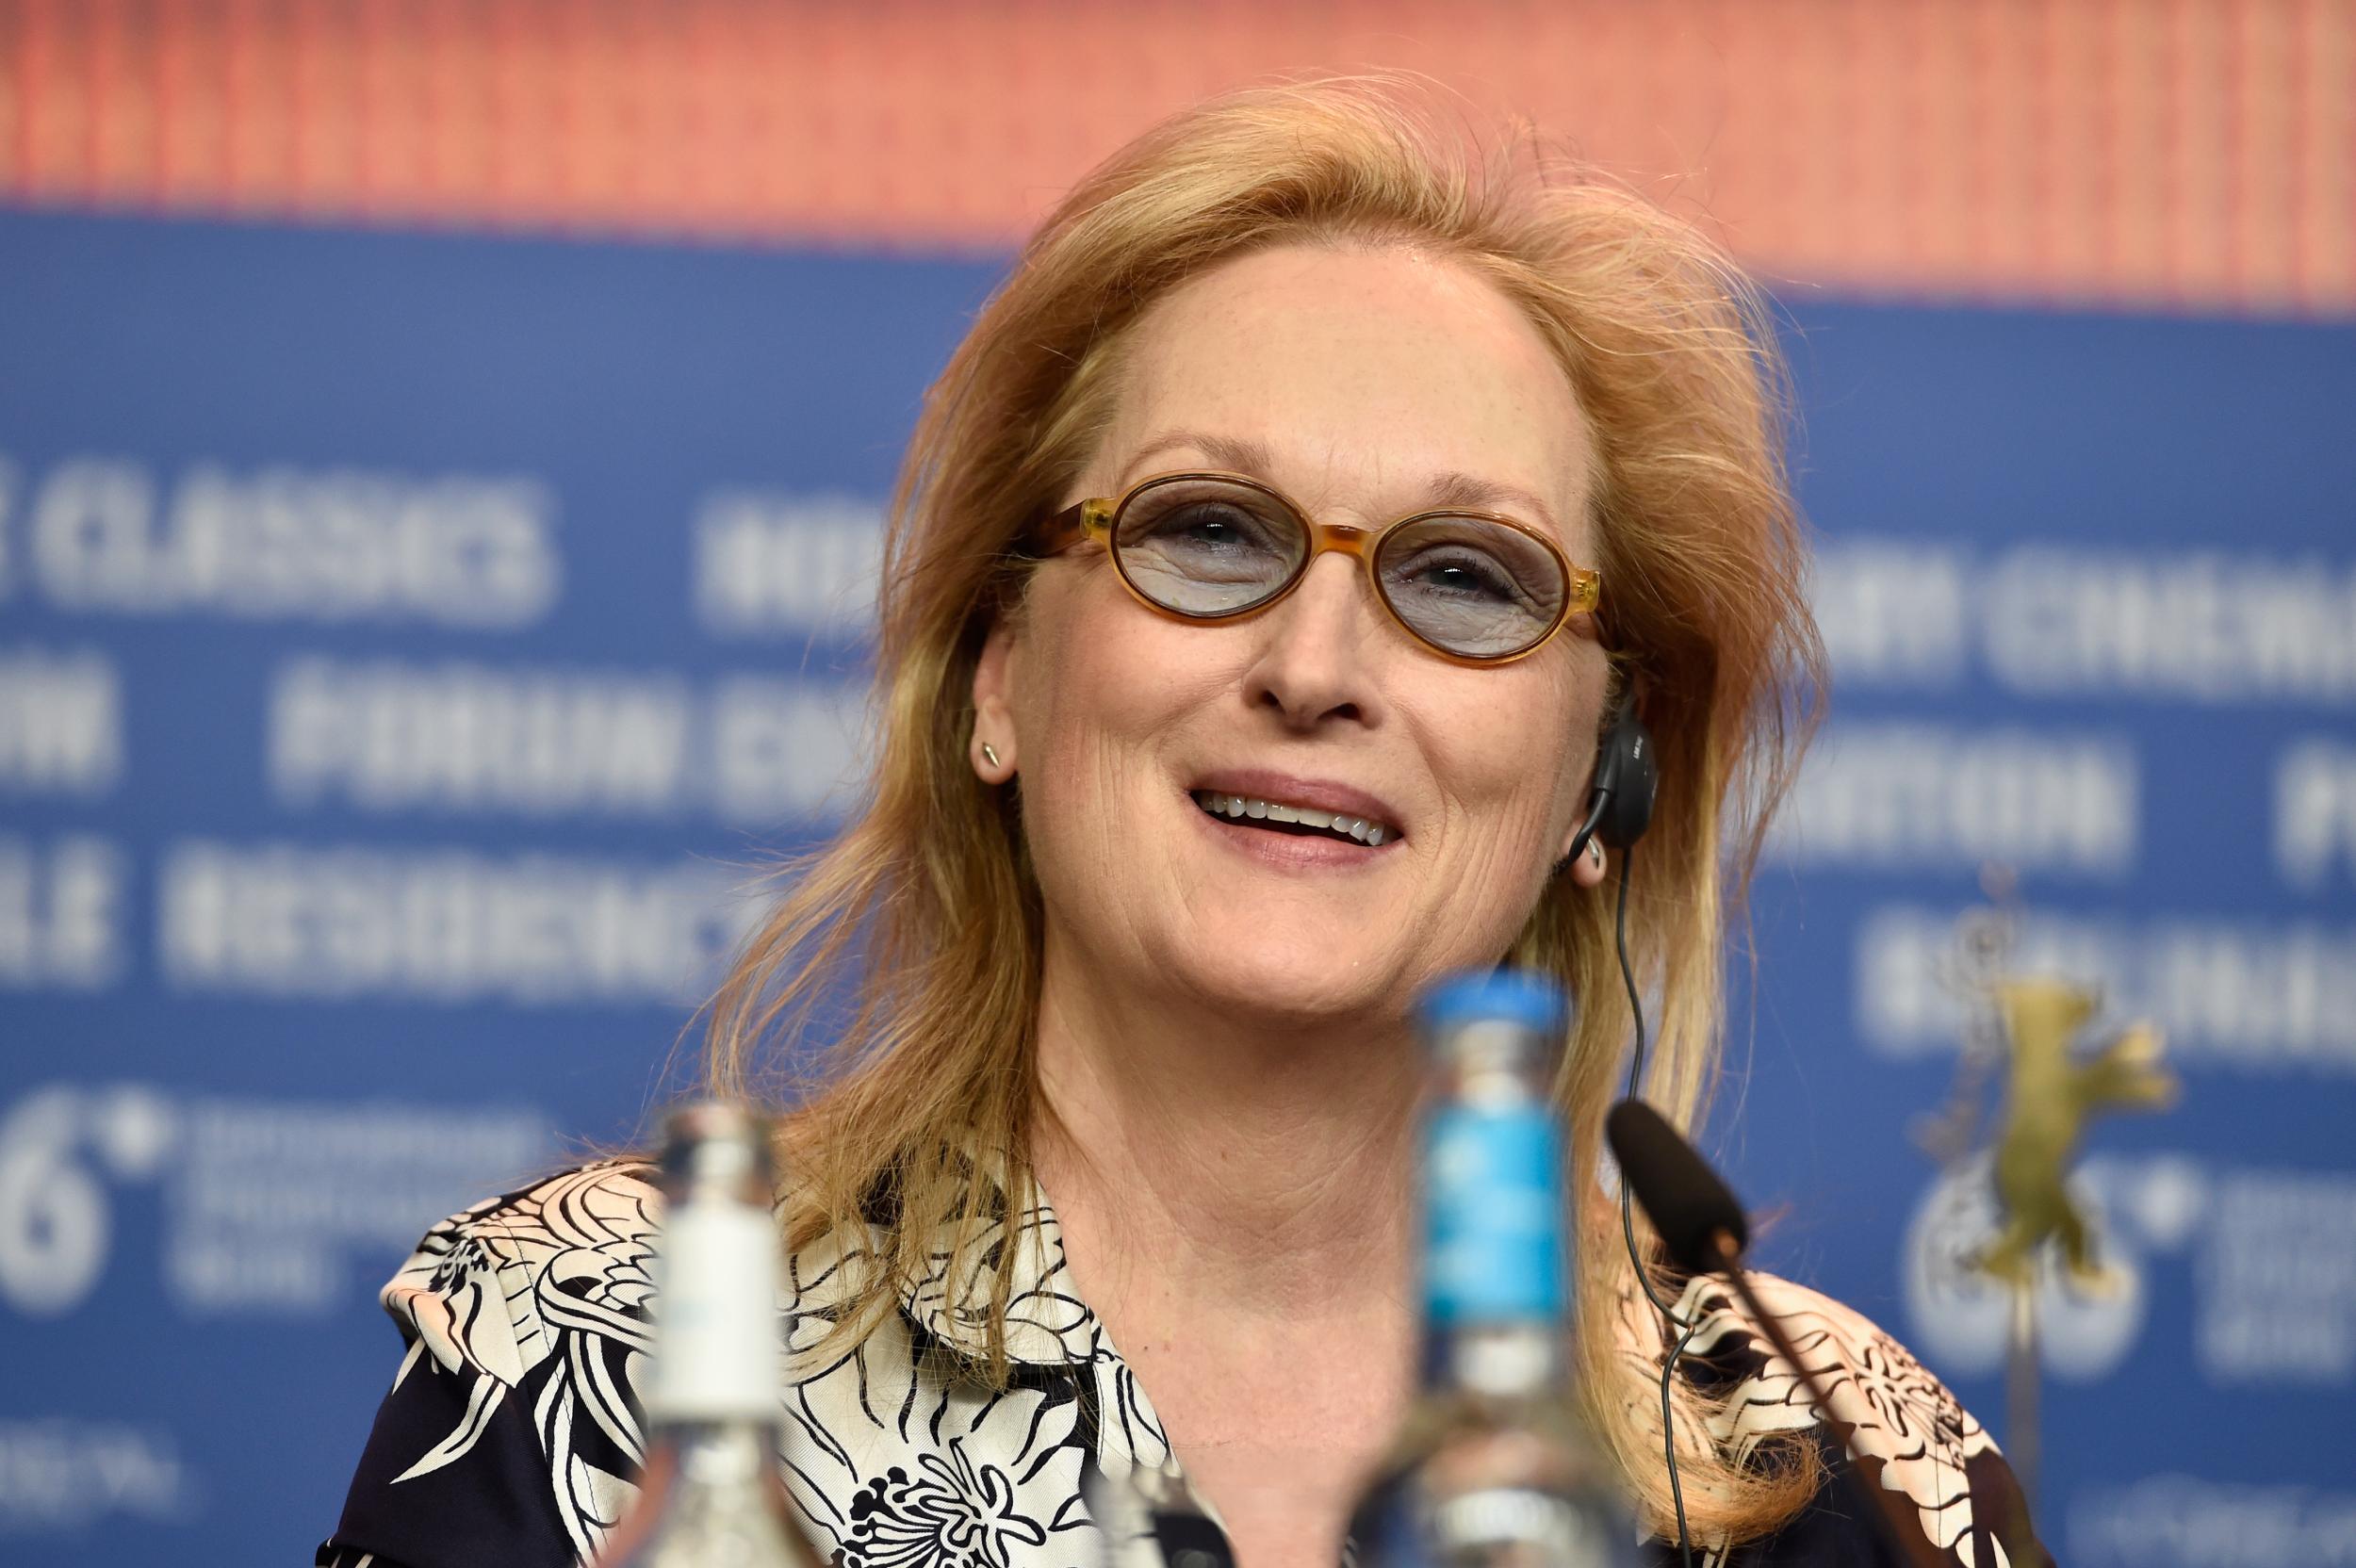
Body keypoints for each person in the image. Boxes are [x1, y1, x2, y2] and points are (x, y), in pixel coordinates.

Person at [319, 74, 2046, 1568]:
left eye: (1464, 576)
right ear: (1001, 674)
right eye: (1209, 531)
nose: (1315, 669)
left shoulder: (1846, 1466)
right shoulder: (602, 1356)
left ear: (1608, 772)